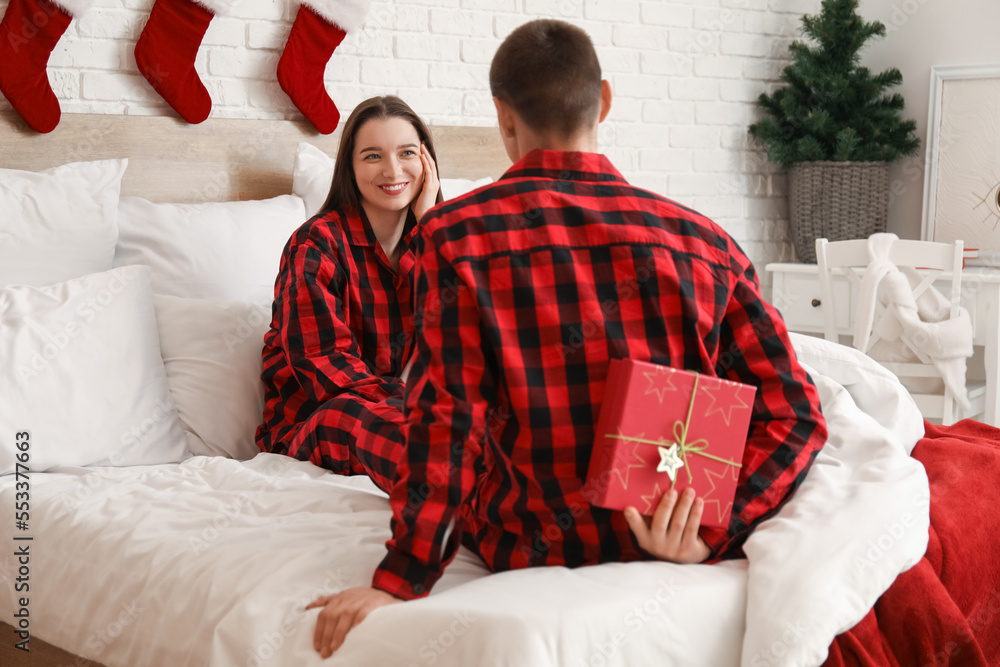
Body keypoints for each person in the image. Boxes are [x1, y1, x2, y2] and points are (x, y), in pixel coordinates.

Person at [306, 19, 828, 657]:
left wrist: (401, 580)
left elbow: (448, 424)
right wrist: (715, 528)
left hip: (527, 545)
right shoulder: (704, 240)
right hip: (655, 528)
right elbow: (797, 413)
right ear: (603, 100)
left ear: (503, 117)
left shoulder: (453, 237)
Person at [255, 95, 441, 494]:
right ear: (350, 168)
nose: (393, 169)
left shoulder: (433, 242)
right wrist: (417, 406)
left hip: (399, 414)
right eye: (373, 156)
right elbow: (330, 372)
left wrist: (432, 228)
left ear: (427, 162)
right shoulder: (315, 245)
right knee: (352, 414)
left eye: (407, 152)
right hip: (319, 421)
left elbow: (476, 340)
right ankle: (471, 506)